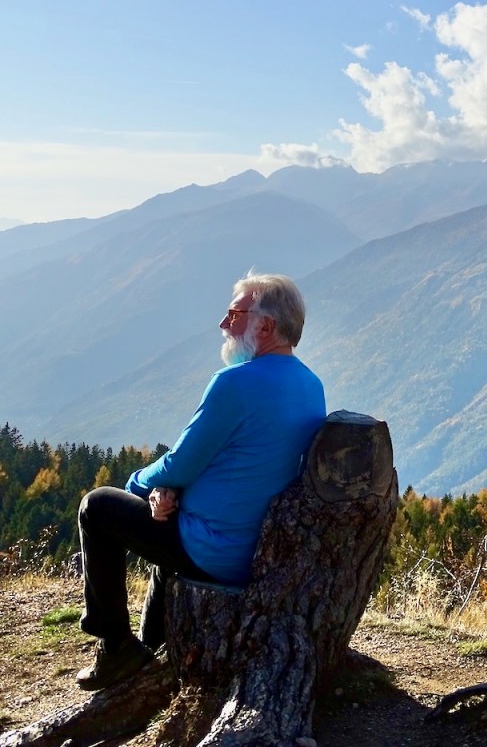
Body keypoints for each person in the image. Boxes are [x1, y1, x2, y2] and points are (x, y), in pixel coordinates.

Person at [76, 271, 327, 691]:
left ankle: (115, 648)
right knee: (166, 546)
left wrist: (138, 484)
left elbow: (181, 462)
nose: (223, 324)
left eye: (235, 314)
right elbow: (243, 462)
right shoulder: (310, 385)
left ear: (265, 326)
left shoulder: (235, 383)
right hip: (258, 549)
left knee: (98, 506)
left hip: (216, 548)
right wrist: (172, 490)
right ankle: (155, 649)